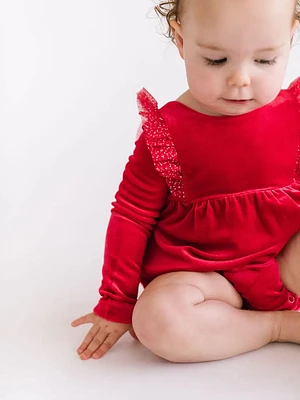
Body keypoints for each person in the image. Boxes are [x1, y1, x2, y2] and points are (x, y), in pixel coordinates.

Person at [72, 0, 300, 363]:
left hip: (281, 261)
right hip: (203, 278)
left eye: (265, 60)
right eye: (216, 60)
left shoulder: (294, 113)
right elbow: (131, 216)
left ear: (290, 38)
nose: (241, 78)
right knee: (156, 319)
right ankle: (279, 326)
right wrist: (117, 300)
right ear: (181, 40)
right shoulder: (167, 133)